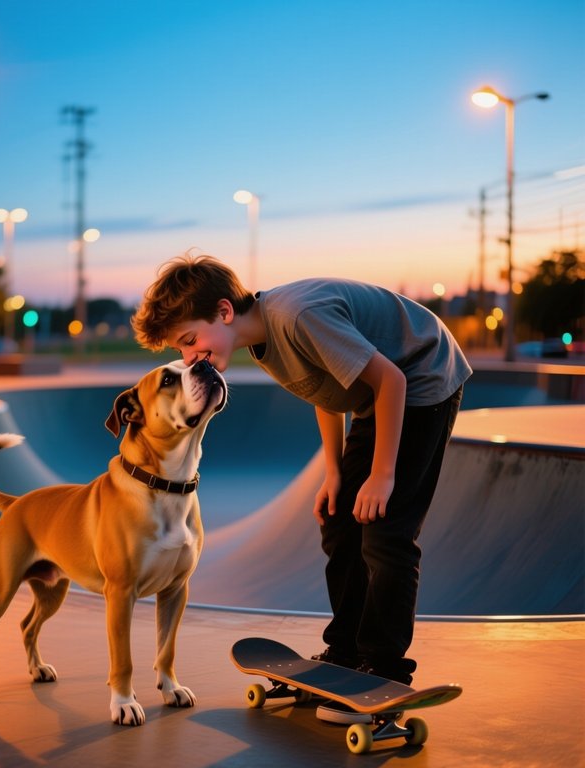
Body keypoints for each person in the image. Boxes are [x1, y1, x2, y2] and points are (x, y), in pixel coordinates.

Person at [131, 252, 472, 686]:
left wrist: (382, 475)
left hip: (422, 378)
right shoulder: (259, 341)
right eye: (180, 348)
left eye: (188, 338)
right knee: (338, 519)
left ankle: (384, 667)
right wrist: (334, 473)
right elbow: (326, 390)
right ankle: (346, 650)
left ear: (223, 311)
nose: (188, 355)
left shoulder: (298, 318)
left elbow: (392, 382)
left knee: (385, 533)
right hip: (377, 396)